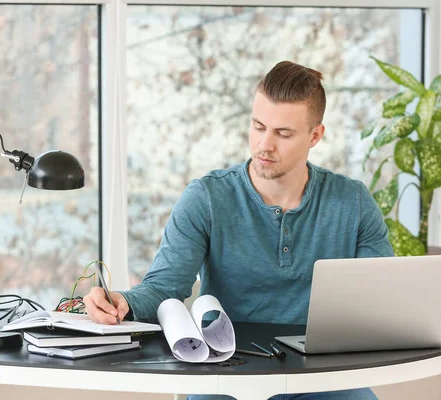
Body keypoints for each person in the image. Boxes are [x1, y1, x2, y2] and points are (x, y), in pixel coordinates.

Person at [83, 61, 394, 400]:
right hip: (226, 375)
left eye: (283, 134)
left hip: (323, 378)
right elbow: (164, 287)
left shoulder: (352, 201)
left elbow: (379, 300)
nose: (264, 145)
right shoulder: (206, 198)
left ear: (315, 136)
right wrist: (122, 301)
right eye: (258, 127)